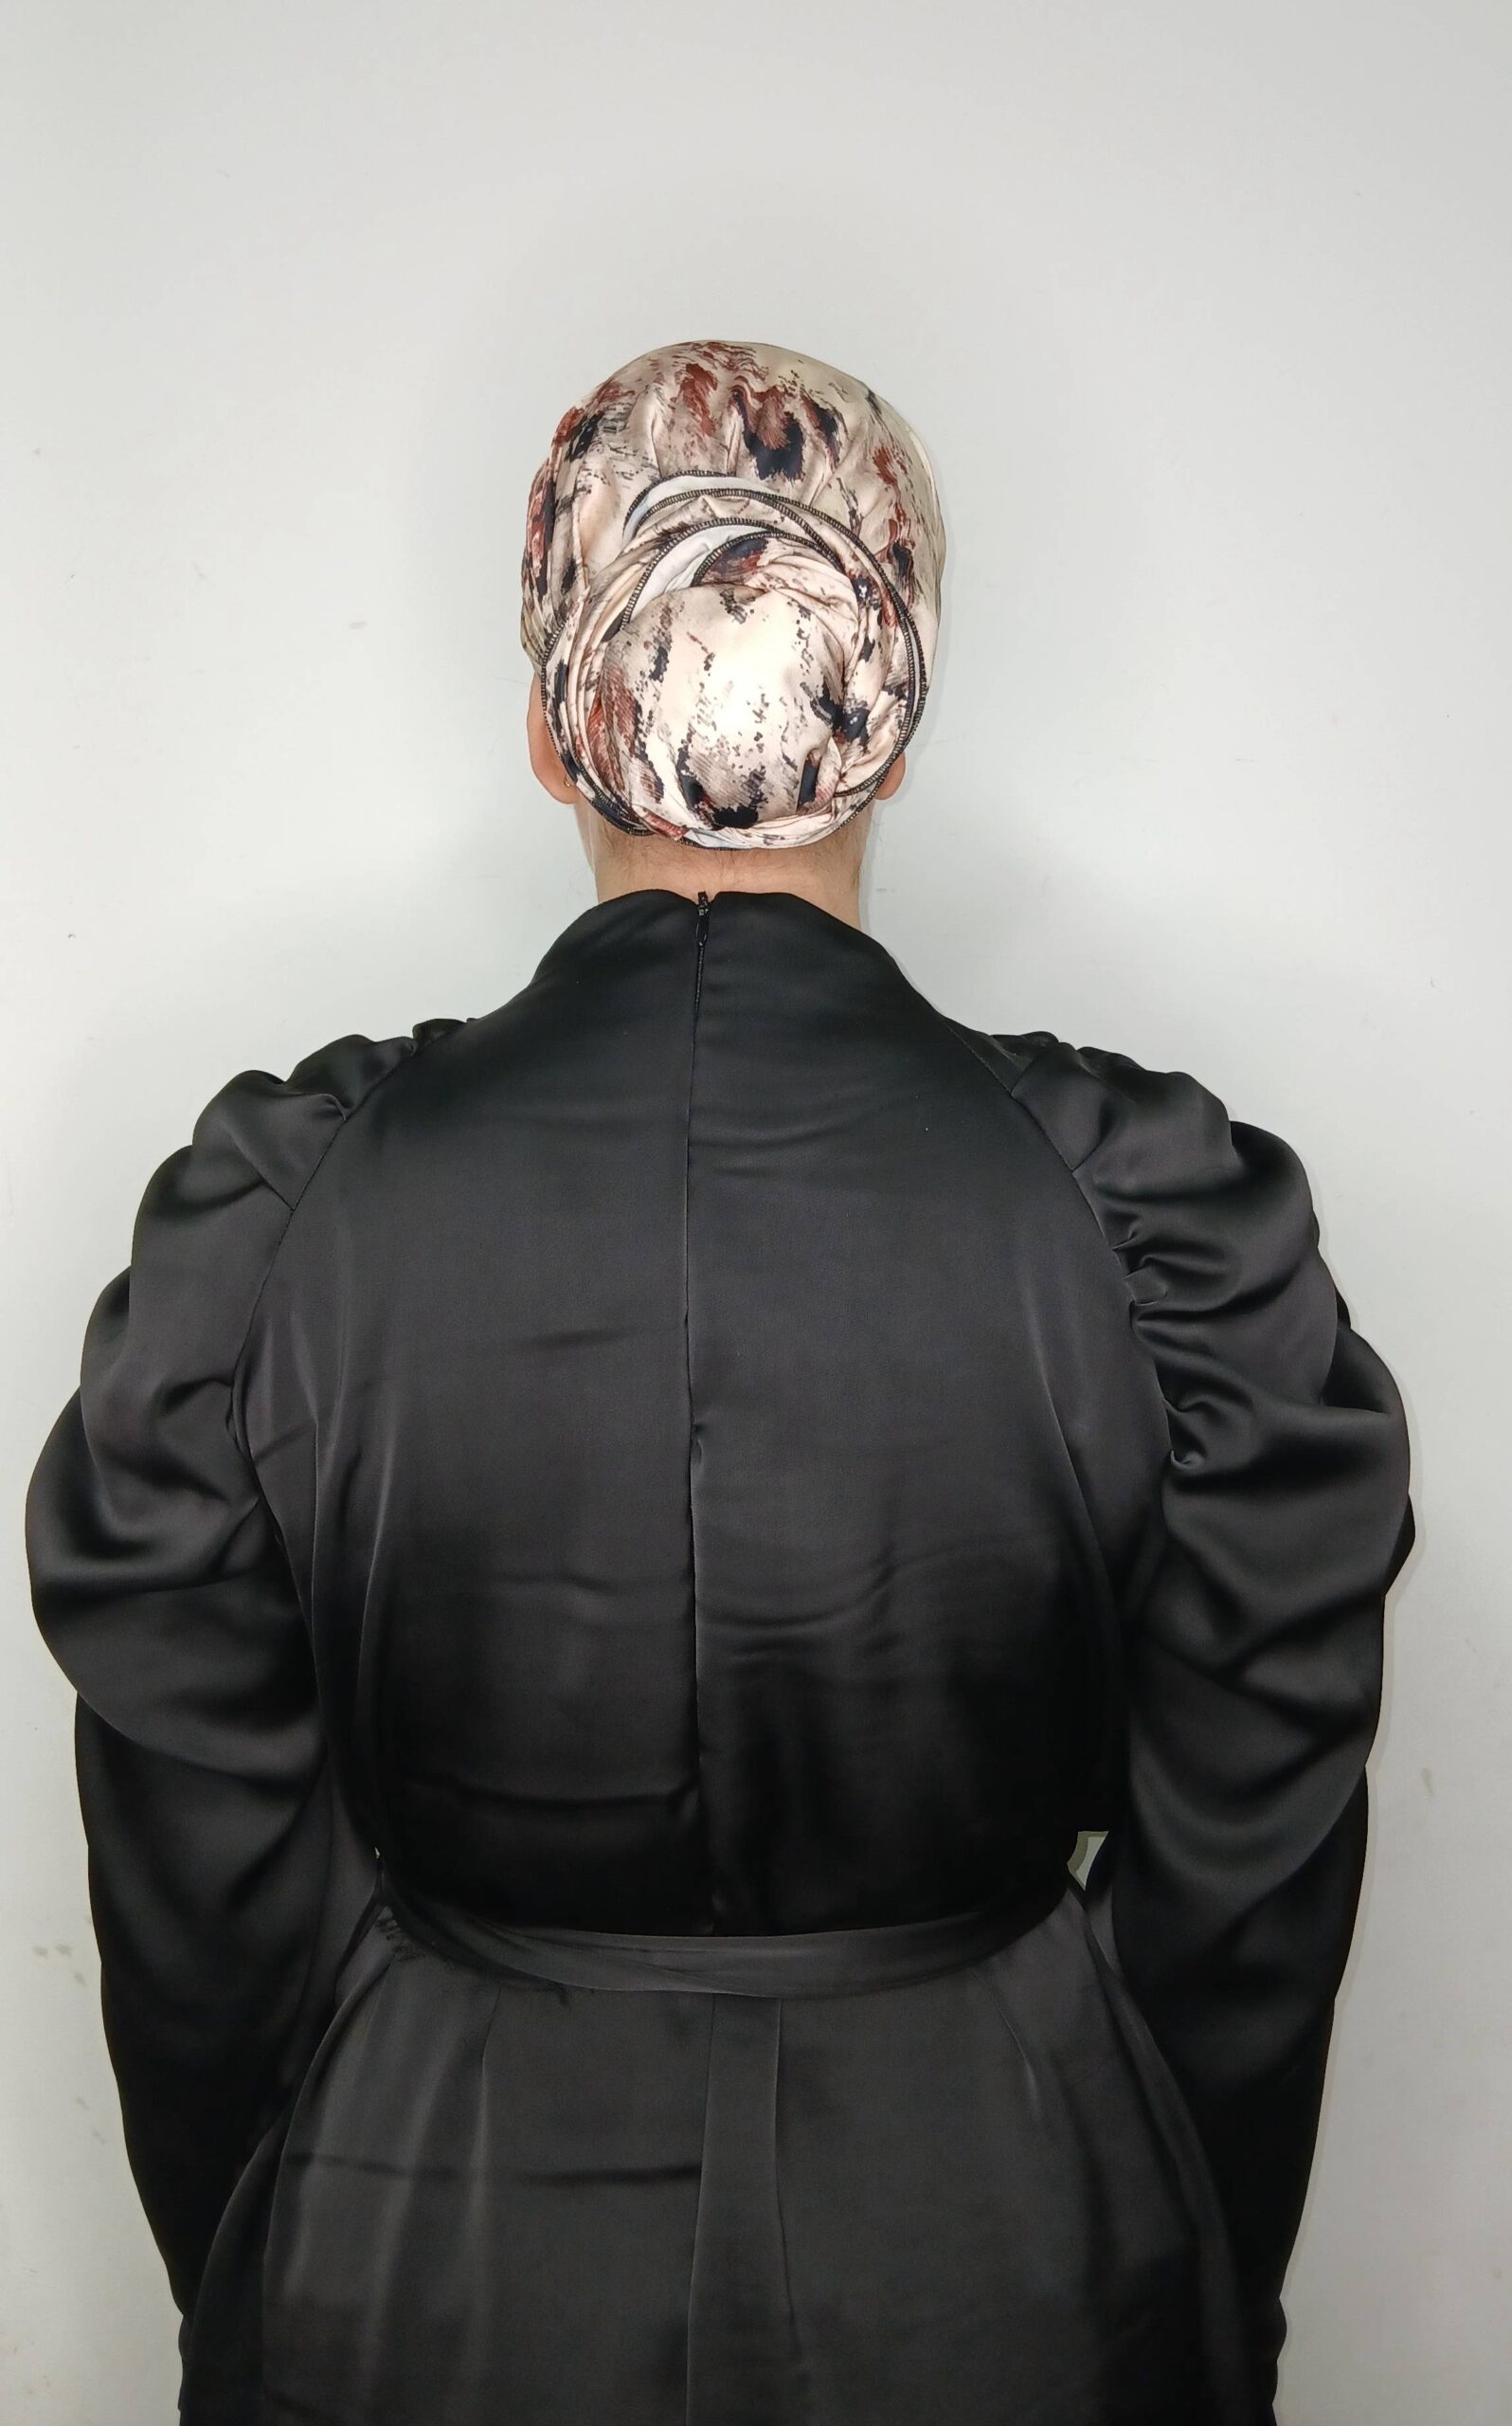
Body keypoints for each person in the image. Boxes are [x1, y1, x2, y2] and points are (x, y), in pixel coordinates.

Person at [25, 336, 1415, 2426]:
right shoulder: (1163, 1237)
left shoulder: (277, 1227)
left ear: (546, 724)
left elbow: (197, 1915)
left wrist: (290, 2244)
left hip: (422, 2247)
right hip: (1011, 2243)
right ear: (894, 723)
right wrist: (1156, 2245)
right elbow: (1245, 1907)